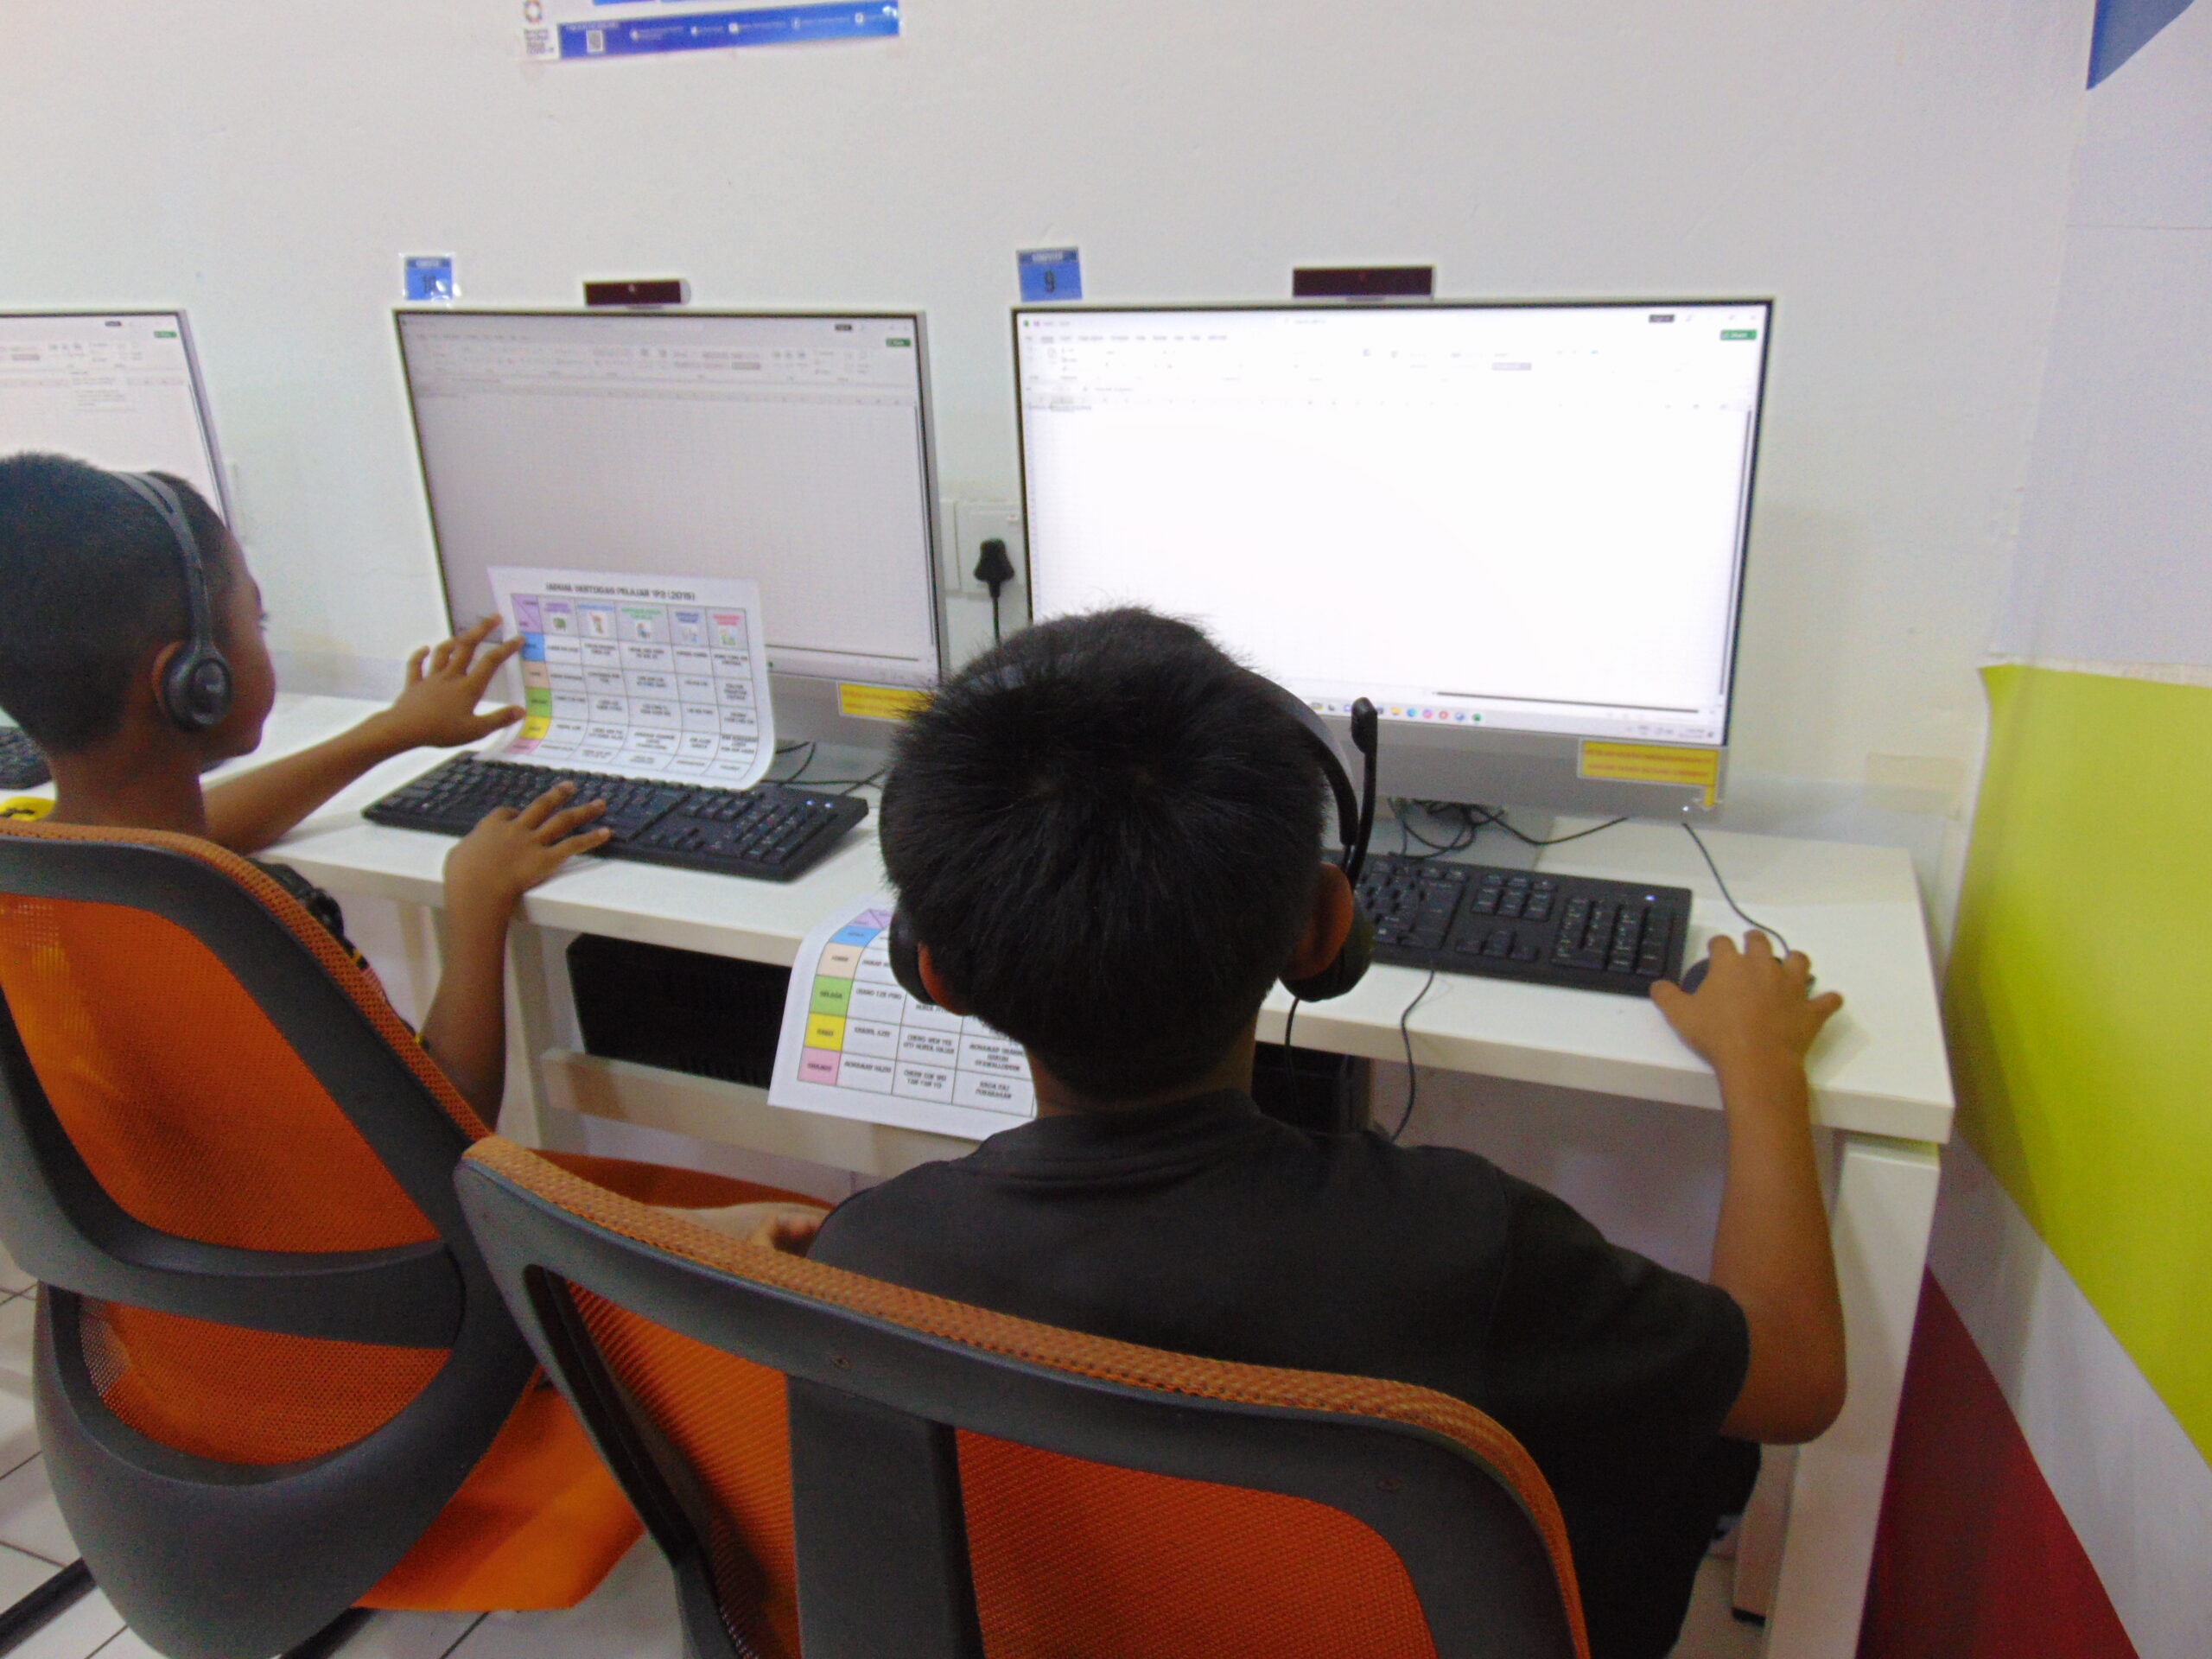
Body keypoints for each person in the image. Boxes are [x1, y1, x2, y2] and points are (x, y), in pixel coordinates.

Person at [785, 608, 1847, 1659]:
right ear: (1326, 931)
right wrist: (1762, 1072)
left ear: (933, 972)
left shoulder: (869, 1263)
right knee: (1684, 1435)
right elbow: (1795, 1379)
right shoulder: (1462, 1243)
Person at [0, 451, 610, 1122]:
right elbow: (448, 1122)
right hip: (392, 1193)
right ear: (195, 681)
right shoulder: (259, 931)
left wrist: (387, 733)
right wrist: (477, 902)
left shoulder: (32, 865)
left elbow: (178, 838)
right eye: (254, 621)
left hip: (164, 1188)